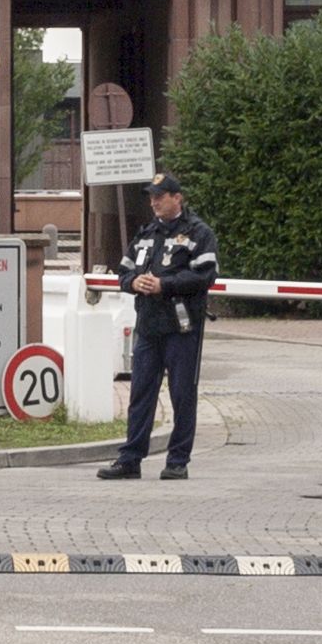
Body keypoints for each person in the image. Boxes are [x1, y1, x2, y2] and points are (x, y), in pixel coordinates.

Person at [96, 172, 219, 483]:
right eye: (151, 196)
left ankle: (177, 461)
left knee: (181, 394)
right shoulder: (147, 233)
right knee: (140, 394)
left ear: (177, 198)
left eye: (160, 196)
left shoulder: (198, 233)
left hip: (182, 326)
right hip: (149, 326)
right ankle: (130, 459)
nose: (153, 202)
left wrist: (165, 284)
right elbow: (123, 271)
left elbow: (205, 275)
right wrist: (134, 282)